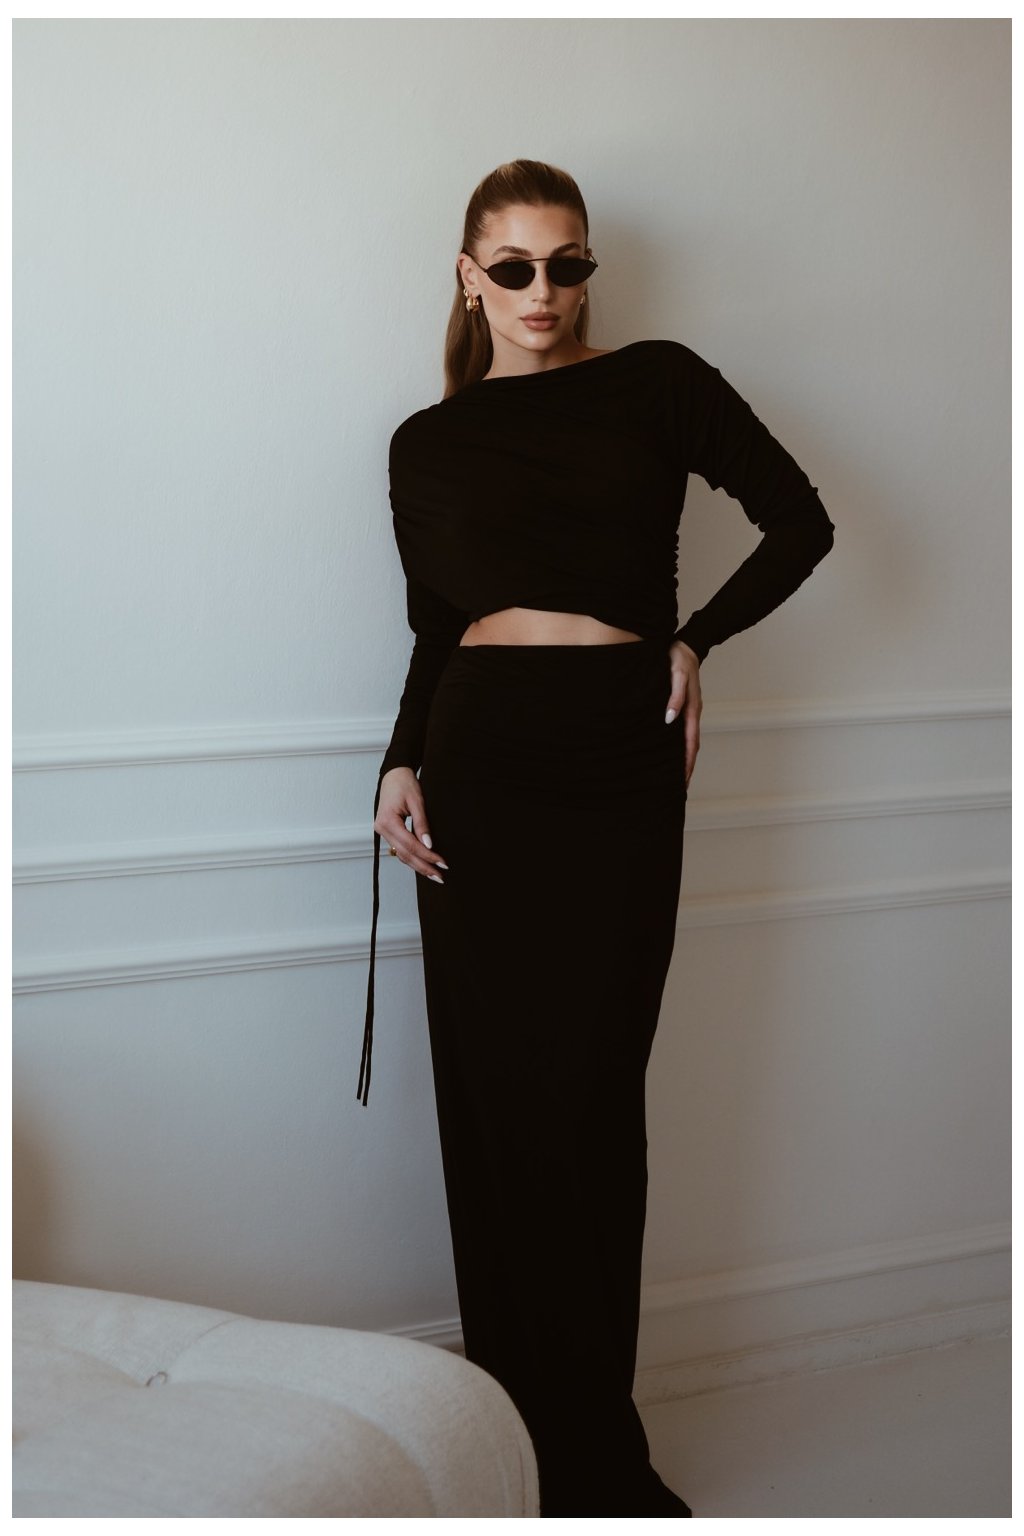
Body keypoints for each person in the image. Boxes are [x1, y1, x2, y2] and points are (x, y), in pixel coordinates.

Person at [358, 158, 835, 1518]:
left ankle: (595, 1459)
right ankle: (508, 1444)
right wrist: (399, 760)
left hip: (616, 759)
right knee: (494, 1111)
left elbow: (802, 522)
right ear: (469, 276)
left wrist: (696, 640)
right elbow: (437, 631)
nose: (543, 291)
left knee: (589, 1106)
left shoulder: (659, 383)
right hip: (478, 763)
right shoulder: (426, 443)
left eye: (567, 264)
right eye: (513, 267)